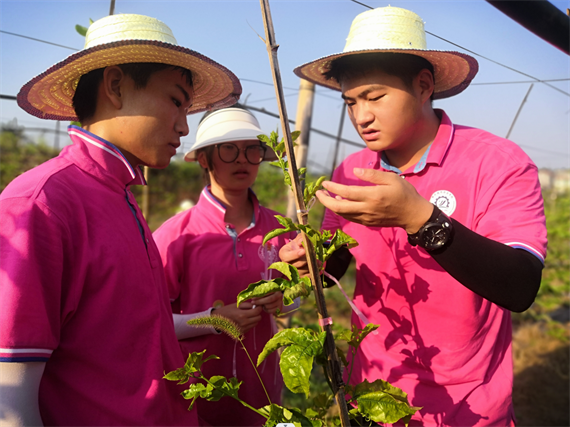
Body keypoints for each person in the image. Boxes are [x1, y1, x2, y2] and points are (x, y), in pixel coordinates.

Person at [283, 6, 546, 427]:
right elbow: (339, 264)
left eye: (375, 97)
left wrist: (421, 219)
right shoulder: (351, 171)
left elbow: (520, 284)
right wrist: (312, 259)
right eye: (351, 102)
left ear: (424, 86)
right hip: (373, 394)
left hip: (468, 407)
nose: (361, 116)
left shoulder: (496, 163)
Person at [0, 13, 241, 427]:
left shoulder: (121, 196)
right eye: (176, 101)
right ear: (115, 86)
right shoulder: (40, 204)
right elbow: (11, 402)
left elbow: (134, 329)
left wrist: (215, 319)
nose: (184, 126)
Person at [153, 105, 299, 427]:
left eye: (252, 150)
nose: (243, 160)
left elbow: (298, 292)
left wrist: (285, 300)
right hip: (197, 396)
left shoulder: (280, 227)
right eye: (229, 150)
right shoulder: (178, 235)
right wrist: (212, 320)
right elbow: (151, 320)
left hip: (264, 394)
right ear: (204, 159)